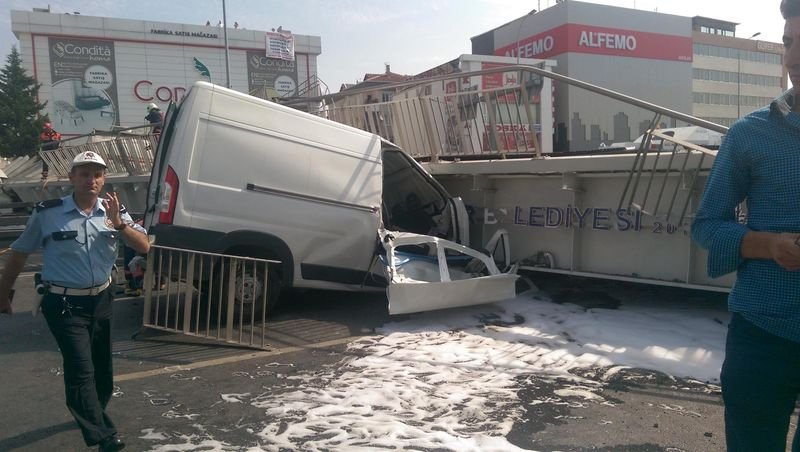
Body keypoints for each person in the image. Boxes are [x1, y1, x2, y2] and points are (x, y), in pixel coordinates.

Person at [691, 1, 800, 450]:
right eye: (789, 43)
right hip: (762, 336)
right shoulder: (750, 134)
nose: (792, 58)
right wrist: (768, 244)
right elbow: (706, 226)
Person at [0, 151, 150, 451]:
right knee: (80, 366)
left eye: (97, 174)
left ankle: (91, 409)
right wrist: (4, 291)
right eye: (84, 173)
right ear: (72, 178)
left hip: (103, 299)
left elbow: (144, 246)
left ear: (103, 179)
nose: (91, 180)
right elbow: (19, 252)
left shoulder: (113, 212)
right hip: (64, 303)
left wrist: (119, 224)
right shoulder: (48, 212)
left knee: (101, 367)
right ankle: (102, 435)